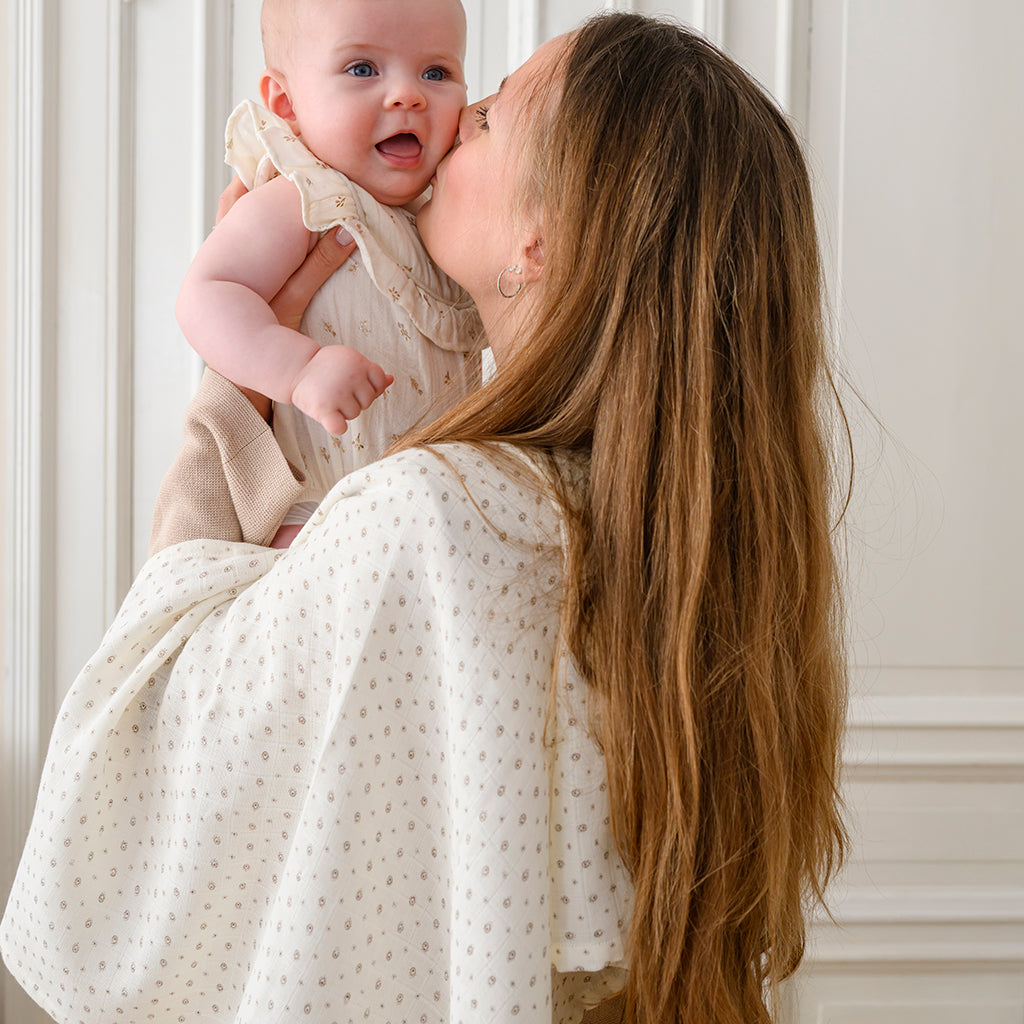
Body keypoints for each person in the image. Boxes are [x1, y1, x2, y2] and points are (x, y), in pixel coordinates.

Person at [1, 13, 849, 1024]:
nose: (442, 119)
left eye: (484, 114)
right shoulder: (663, 545)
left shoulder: (433, 519)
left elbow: (147, 779)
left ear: (537, 241)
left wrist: (237, 395)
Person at [174, 0, 484, 547]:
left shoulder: (445, 213)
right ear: (287, 103)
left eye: (436, 73)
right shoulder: (306, 196)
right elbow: (207, 294)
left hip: (434, 513)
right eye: (363, 69)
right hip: (317, 513)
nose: (407, 95)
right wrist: (300, 370)